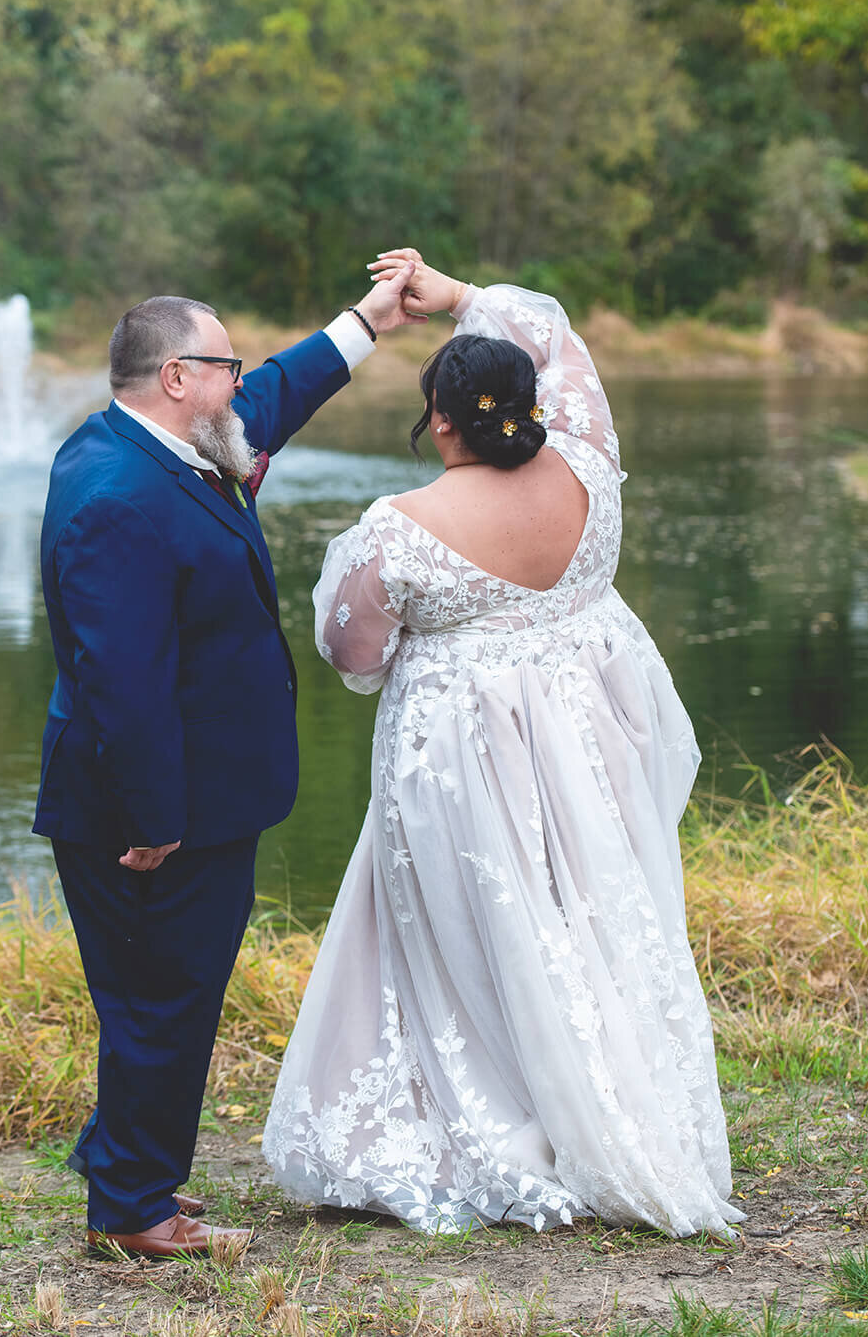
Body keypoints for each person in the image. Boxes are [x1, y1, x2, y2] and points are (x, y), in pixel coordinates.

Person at [263, 248, 743, 1239]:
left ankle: (488, 1111)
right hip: (589, 740)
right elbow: (560, 343)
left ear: (439, 421)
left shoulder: (398, 527)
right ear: (530, 407)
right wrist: (460, 296)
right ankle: (598, 1104)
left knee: (469, 928)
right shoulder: (589, 463)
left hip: (461, 757)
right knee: (582, 918)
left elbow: (352, 648)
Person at [33, 266, 424, 1258]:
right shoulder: (118, 496)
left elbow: (273, 396)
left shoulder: (155, 443)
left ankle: (127, 1168)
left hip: (197, 792)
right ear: (176, 376)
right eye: (226, 366)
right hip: (150, 811)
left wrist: (367, 321)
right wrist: (152, 816)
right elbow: (121, 679)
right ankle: (132, 1208)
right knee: (160, 997)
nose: (241, 383)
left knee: (171, 990)